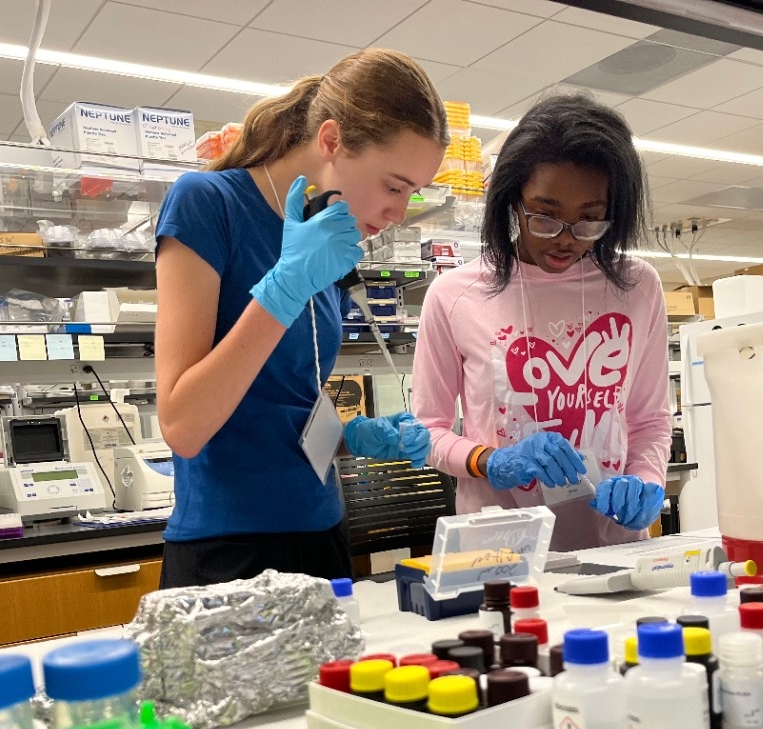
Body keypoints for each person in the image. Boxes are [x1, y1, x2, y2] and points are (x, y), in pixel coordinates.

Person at [154, 49, 448, 588]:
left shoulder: (328, 232)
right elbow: (183, 427)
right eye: (393, 186)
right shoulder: (208, 204)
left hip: (323, 529)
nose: (398, 213)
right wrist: (284, 287)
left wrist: (353, 436)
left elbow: (283, 402)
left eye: (412, 193)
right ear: (332, 140)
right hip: (228, 548)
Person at [412, 93, 671, 550]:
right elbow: (427, 432)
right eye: (545, 216)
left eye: (589, 220)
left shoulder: (637, 287)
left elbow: (649, 420)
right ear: (513, 201)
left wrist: (647, 480)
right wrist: (489, 461)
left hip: (615, 546)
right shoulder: (456, 295)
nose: (566, 240)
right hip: (500, 550)